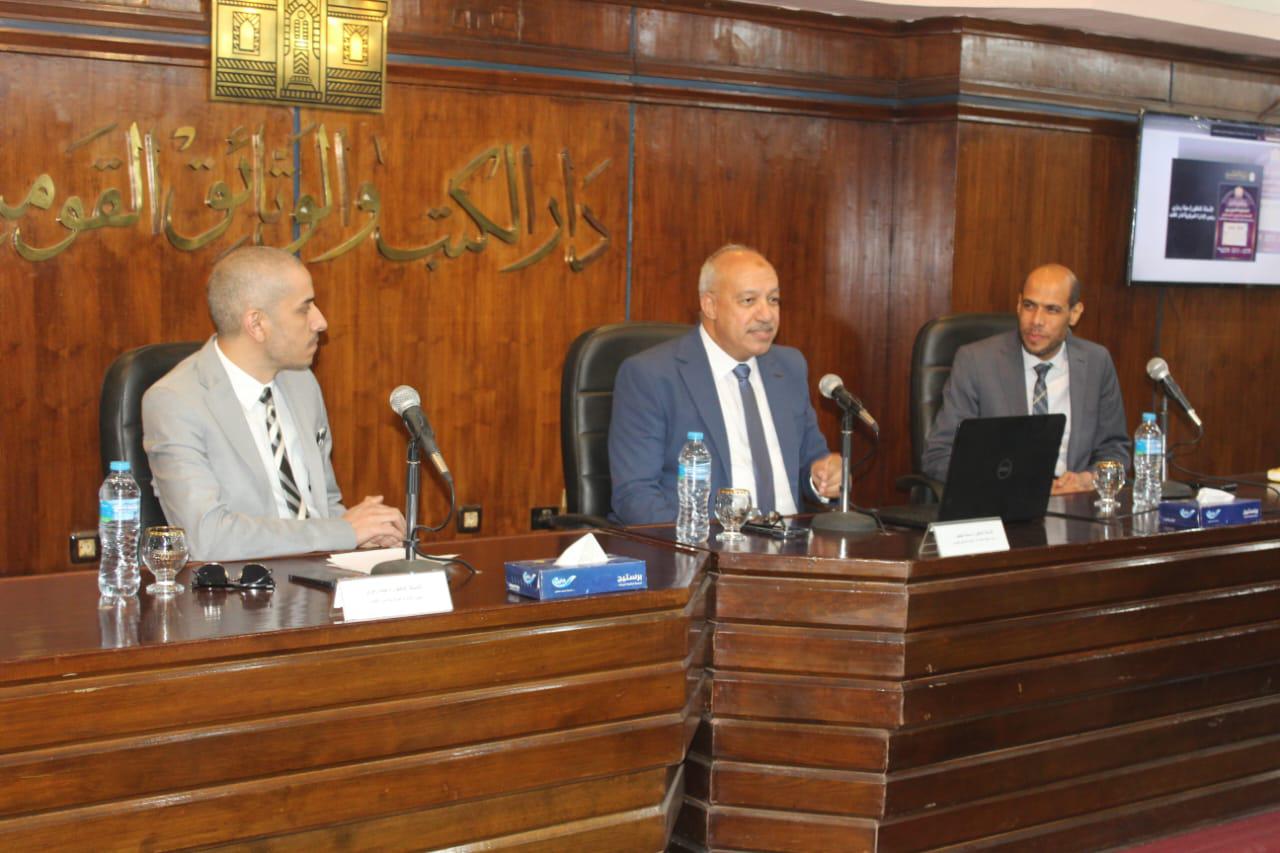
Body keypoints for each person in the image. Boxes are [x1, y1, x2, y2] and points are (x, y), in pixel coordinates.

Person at [143, 246, 406, 560]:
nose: (321, 321)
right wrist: (343, 531)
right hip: (242, 585)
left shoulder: (301, 381)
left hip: (320, 572)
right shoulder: (176, 401)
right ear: (256, 324)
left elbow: (322, 506)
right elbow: (206, 537)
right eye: (304, 309)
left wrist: (367, 532)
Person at [608, 245, 842, 525]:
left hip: (793, 542)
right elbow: (635, 496)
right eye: (748, 300)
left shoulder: (789, 367)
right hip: (705, 545)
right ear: (710, 305)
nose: (767, 315)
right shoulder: (652, 375)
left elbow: (811, 463)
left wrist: (824, 478)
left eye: (773, 300)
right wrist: (698, 545)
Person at [922, 263, 1129, 493]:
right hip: (1003, 501)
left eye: (1052, 310)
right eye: (1029, 306)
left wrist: (1088, 479)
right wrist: (1015, 483)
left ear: (1075, 313)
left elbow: (1114, 449)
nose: (1036, 321)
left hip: (1074, 502)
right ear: (1018, 304)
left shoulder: (1096, 362)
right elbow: (939, 455)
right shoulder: (976, 362)